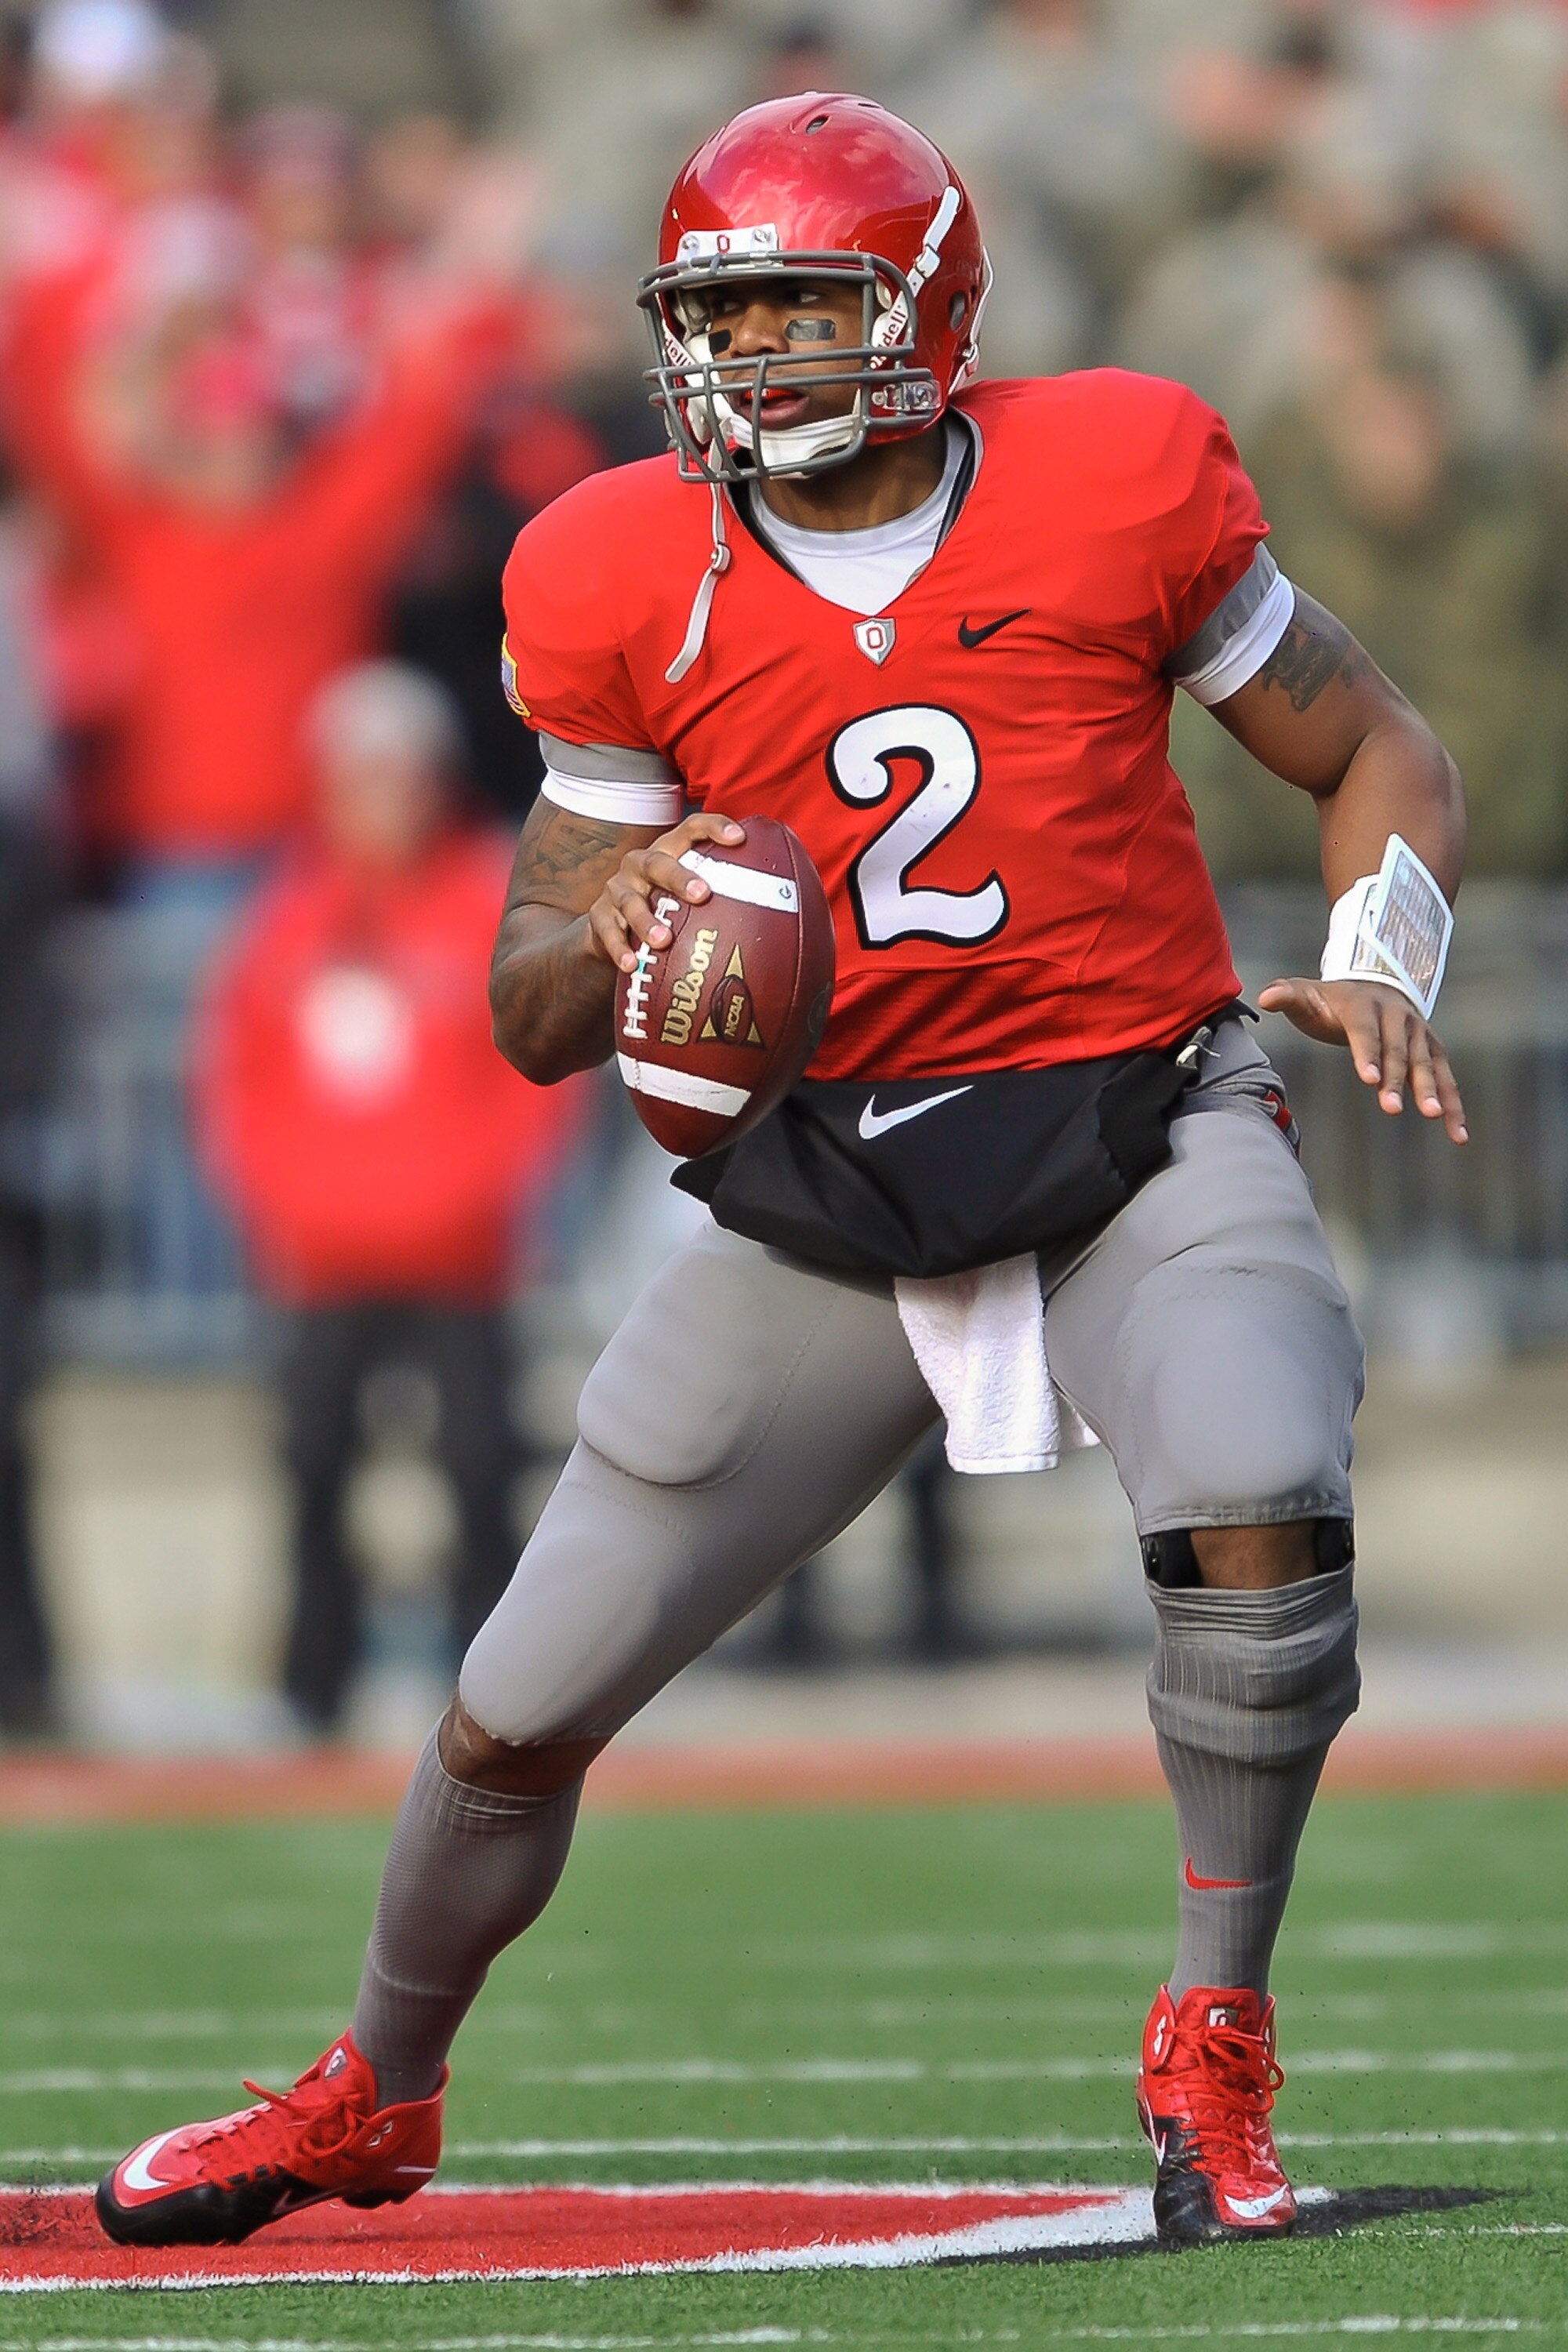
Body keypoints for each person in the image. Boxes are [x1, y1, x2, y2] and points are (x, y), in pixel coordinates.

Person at [97, 94, 1468, 2257]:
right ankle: (380, 2083)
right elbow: (530, 1008)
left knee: (1263, 1492)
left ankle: (1213, 2030)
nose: (751, 359)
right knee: (515, 1702)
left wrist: (1390, 947)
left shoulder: (1118, 471)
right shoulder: (618, 560)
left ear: (928, 305)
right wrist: (615, 903)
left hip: (1130, 1112)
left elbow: (1380, 740)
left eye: (802, 307)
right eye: (718, 315)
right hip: (823, 1189)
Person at [191, 661, 585, 1735]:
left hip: (461, 1257)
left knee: (480, 1468)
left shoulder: (481, 904)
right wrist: (283, 1201)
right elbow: (236, 1082)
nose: (381, 799)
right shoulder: (287, 920)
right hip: (322, 1260)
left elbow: (535, 1073)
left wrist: (478, 1195)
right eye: (360, 776)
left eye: (399, 774)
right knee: (312, 1464)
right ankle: (310, 1688)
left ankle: (501, 1700)